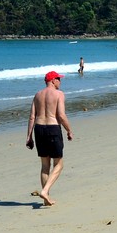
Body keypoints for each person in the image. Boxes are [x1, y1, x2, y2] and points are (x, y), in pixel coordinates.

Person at [25, 71, 73, 207]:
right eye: (59, 79)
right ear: (52, 80)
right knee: (59, 164)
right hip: (52, 129)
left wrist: (28, 137)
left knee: (45, 165)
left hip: (39, 129)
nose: (60, 81)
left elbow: (32, 117)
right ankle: (45, 191)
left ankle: (46, 199)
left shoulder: (37, 95)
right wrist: (69, 130)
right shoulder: (59, 94)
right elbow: (61, 115)